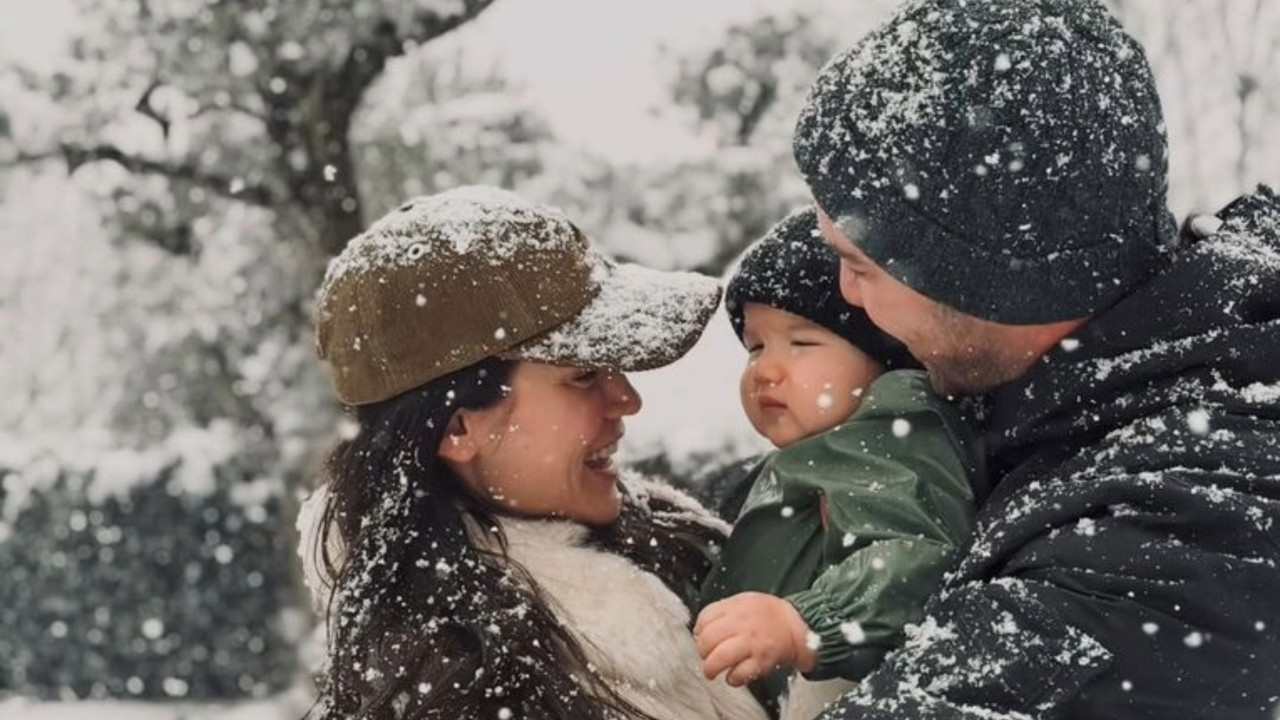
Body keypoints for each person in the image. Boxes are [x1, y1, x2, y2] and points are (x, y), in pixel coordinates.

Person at [791, 0, 1280, 718]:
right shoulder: (1117, 378)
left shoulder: (1164, 557)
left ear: (983, 279)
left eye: (860, 265)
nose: (845, 293)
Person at [296, 186, 768, 720]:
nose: (627, 399)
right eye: (584, 375)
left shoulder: (682, 546)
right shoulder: (471, 698)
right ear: (458, 429)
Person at [694, 207, 987, 720]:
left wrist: (806, 624)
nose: (765, 371)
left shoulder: (892, 435)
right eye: (755, 347)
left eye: (802, 343)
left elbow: (913, 557)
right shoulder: (819, 453)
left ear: (884, 356)